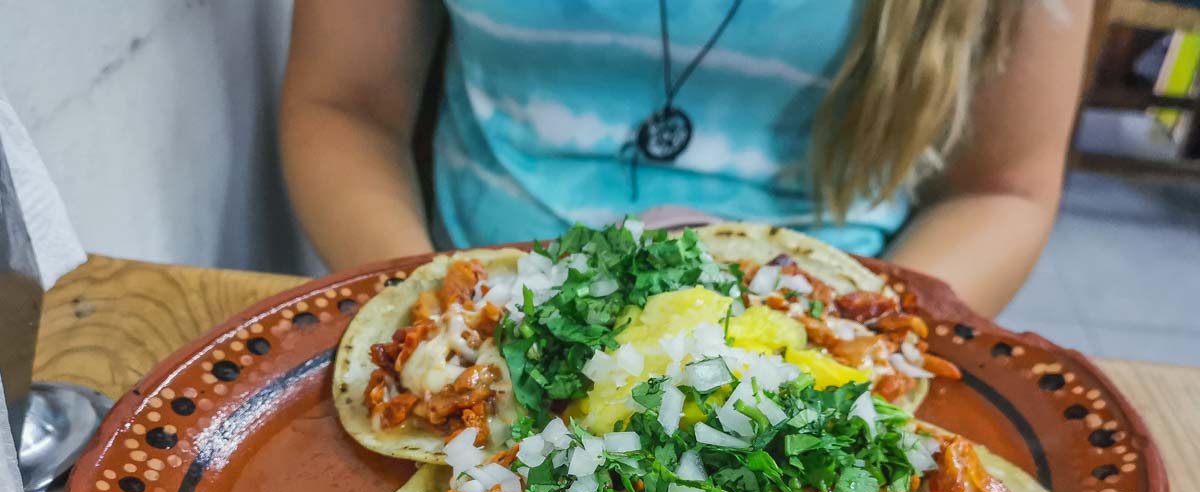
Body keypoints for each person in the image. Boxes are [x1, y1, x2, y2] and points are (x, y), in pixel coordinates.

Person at [280, 1, 1092, 316]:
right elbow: (345, 107)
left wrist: (862, 338)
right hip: (474, 301)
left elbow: (1000, 189)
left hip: (830, 327)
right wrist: (432, 310)